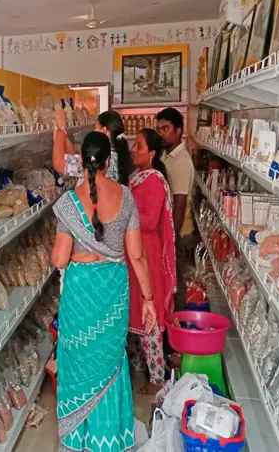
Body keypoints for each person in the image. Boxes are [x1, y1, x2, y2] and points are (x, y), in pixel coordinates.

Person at [51, 131, 156, 452]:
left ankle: (78, 439)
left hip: (80, 296)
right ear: (109, 161)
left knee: (78, 361)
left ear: (81, 162)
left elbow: (59, 259)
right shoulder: (125, 196)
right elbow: (137, 255)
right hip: (113, 293)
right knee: (111, 362)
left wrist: (78, 251)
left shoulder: (69, 203)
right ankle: (109, 439)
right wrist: (149, 300)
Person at [126, 128, 177, 395]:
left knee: (150, 313)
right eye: (134, 145)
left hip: (148, 253)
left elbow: (150, 220)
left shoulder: (155, 181)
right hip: (134, 251)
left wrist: (125, 212)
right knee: (134, 309)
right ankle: (137, 368)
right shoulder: (137, 177)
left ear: (153, 153)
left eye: (140, 146)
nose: (134, 150)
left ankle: (157, 377)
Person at [156, 107, 195, 308]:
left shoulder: (180, 161)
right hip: (170, 230)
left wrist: (170, 238)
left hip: (178, 233)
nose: (161, 133)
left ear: (178, 131)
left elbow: (179, 205)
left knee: (176, 283)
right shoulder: (167, 155)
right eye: (159, 129)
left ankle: (179, 320)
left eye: (166, 128)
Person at [53, 110, 134, 187]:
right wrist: (63, 137)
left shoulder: (102, 156)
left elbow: (59, 163)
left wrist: (61, 129)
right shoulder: (116, 154)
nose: (93, 132)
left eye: (95, 128)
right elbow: (79, 161)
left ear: (104, 130)